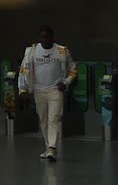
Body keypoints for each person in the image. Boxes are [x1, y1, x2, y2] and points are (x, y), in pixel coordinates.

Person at [17, 25, 77, 162]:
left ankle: (52, 147)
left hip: (55, 89)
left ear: (51, 37)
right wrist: (22, 89)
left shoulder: (61, 51)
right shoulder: (32, 51)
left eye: (46, 37)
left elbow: (73, 69)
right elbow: (24, 70)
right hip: (39, 90)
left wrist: (66, 82)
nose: (44, 39)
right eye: (42, 37)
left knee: (53, 117)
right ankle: (48, 147)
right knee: (43, 119)